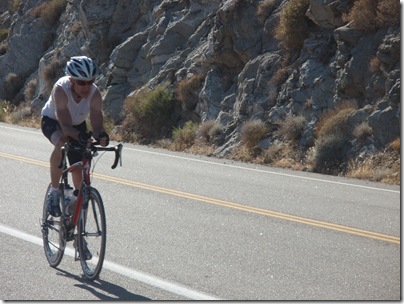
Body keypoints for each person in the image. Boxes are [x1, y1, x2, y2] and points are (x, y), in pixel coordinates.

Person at [41, 56, 109, 217]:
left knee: (79, 166)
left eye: (90, 82)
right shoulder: (61, 89)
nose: (86, 87)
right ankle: (55, 191)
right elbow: (65, 127)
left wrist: (102, 136)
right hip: (54, 121)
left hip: (77, 124)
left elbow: (97, 123)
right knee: (62, 143)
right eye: (81, 82)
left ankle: (77, 207)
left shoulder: (94, 93)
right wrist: (80, 137)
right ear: (72, 80)